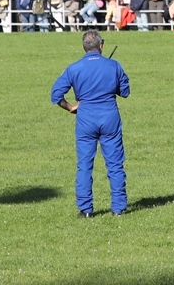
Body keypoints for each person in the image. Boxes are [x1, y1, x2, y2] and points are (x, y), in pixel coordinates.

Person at [51, 30, 131, 217]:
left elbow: (56, 95)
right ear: (101, 46)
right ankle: (119, 208)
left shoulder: (74, 68)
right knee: (115, 165)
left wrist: (71, 107)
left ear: (84, 47)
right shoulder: (114, 66)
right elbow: (125, 92)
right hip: (109, 116)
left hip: (86, 118)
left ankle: (86, 209)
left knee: (85, 165)